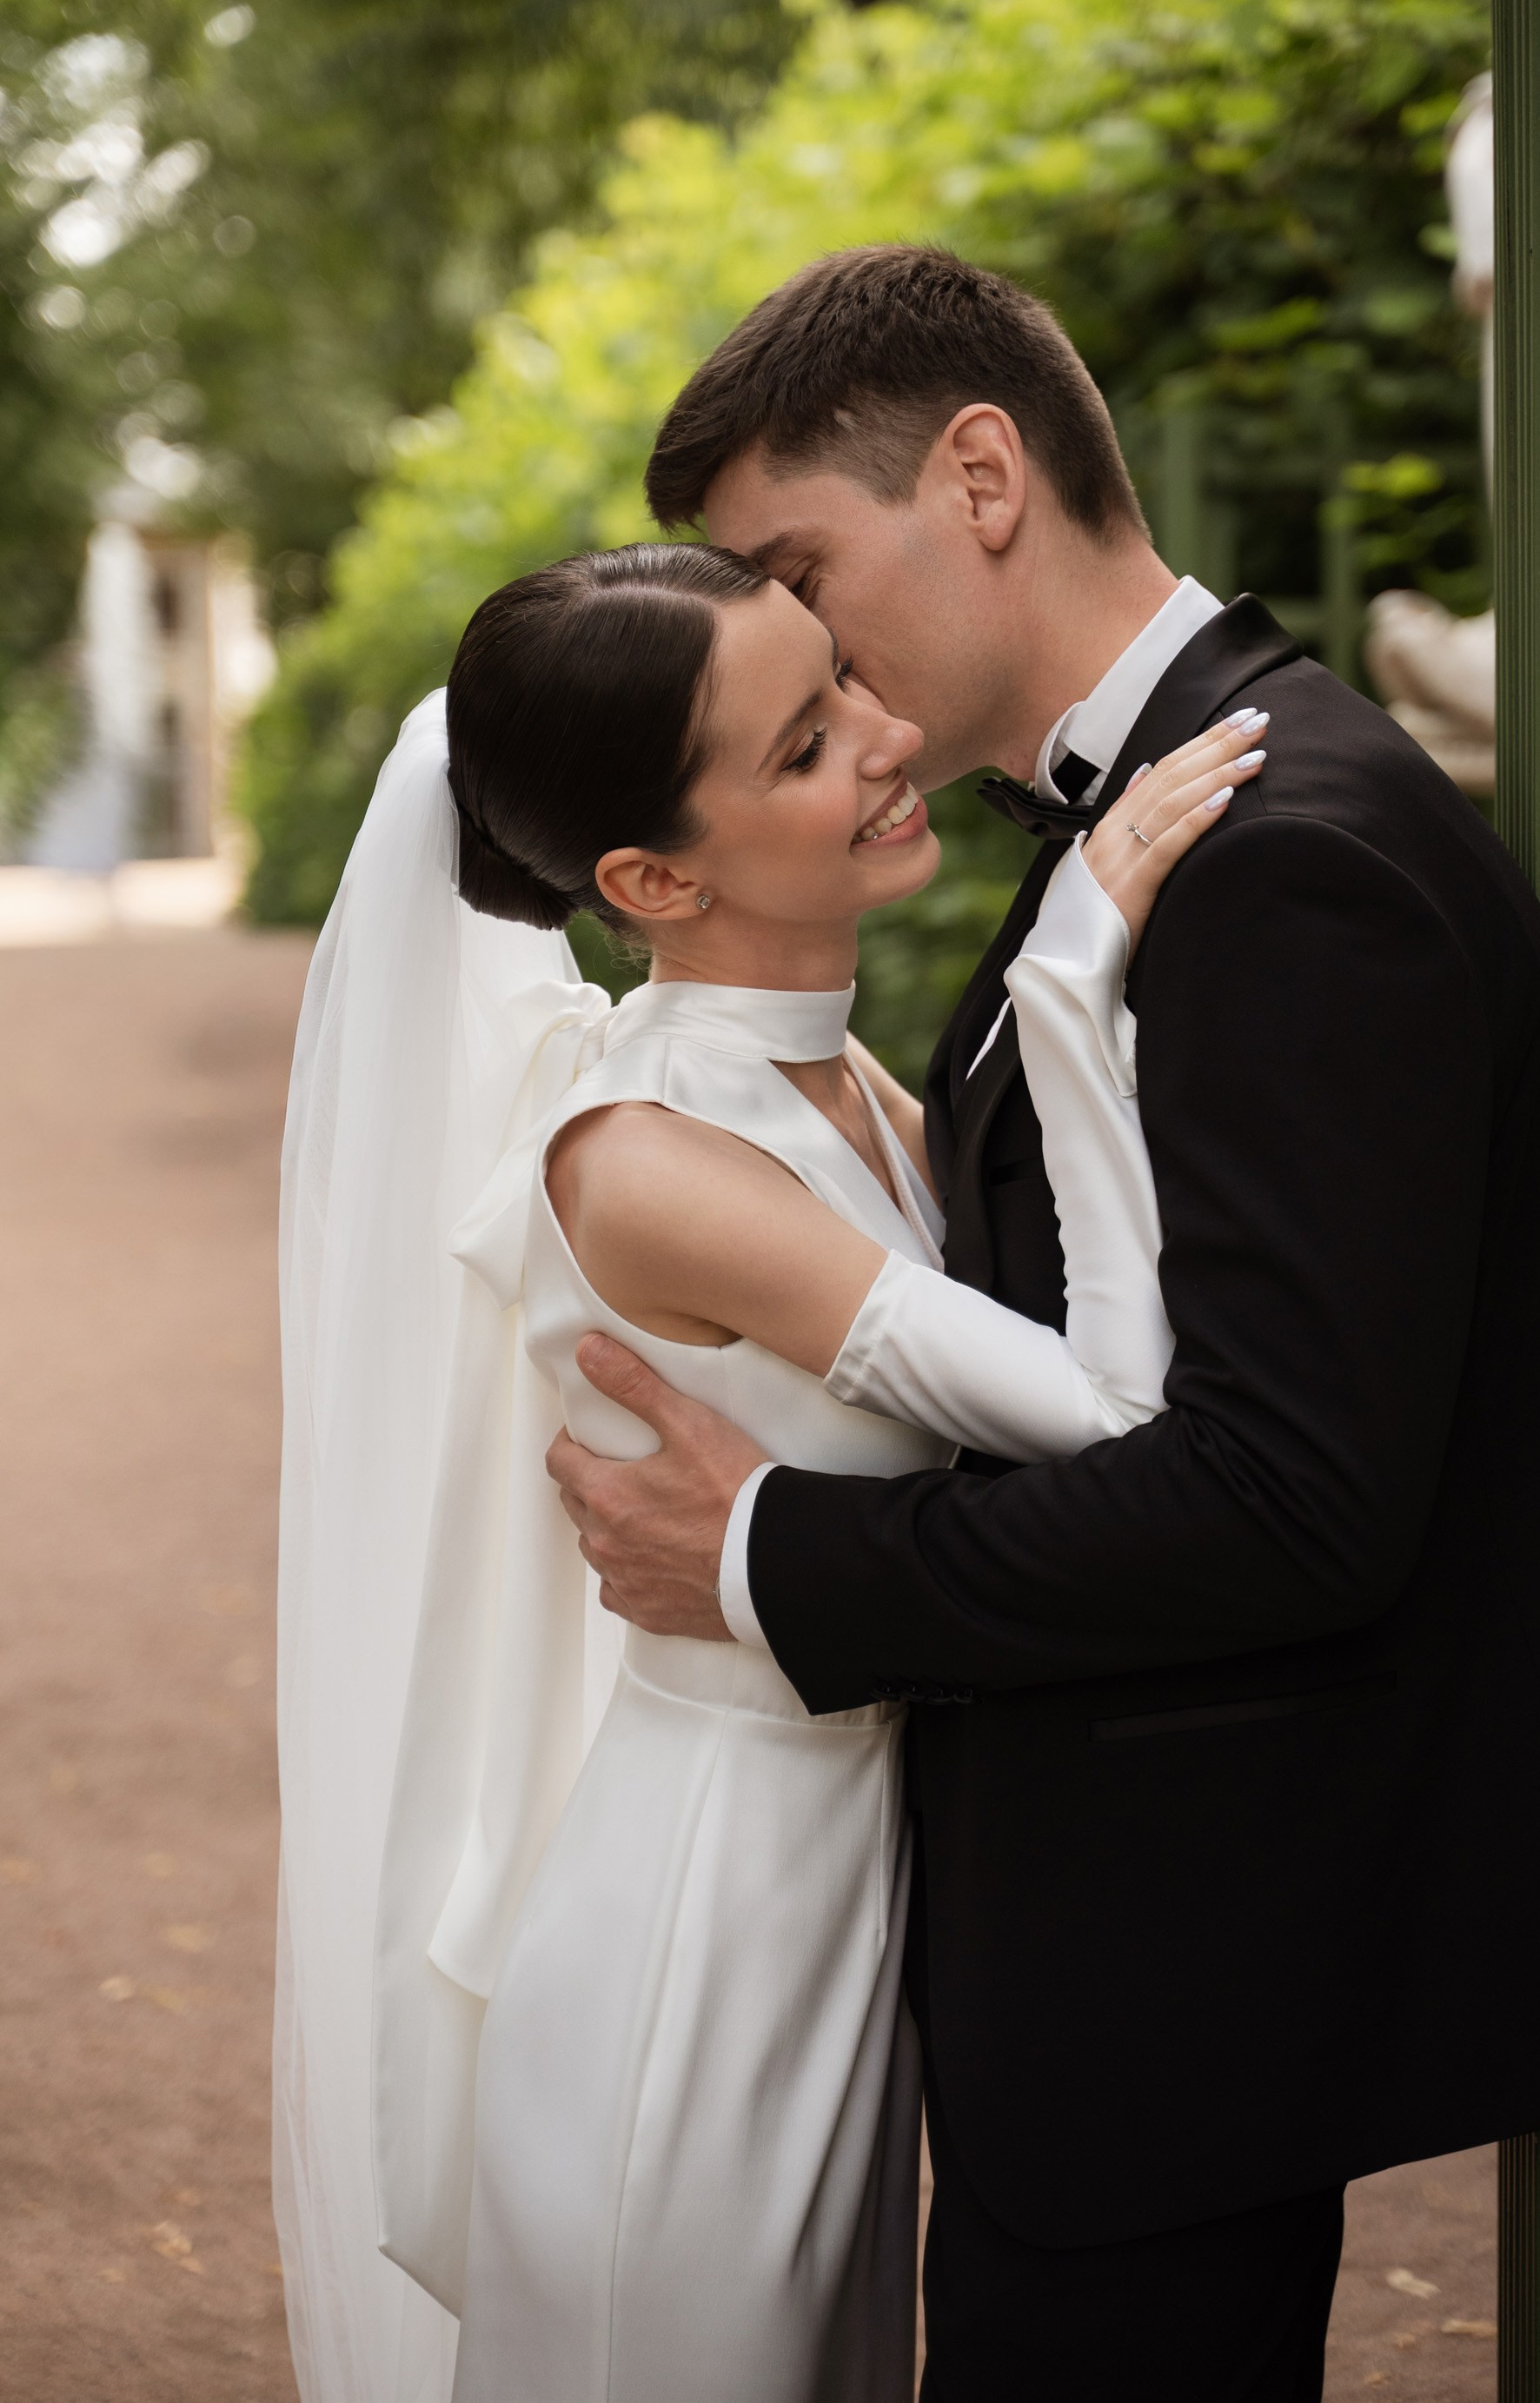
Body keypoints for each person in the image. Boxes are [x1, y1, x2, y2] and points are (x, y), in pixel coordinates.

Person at [545, 245, 1540, 2401]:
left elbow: (1287, 1498)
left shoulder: (1282, 857)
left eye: (801, 567)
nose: (800, 644)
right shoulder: (1159, 821)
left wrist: (768, 1557)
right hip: (1139, 1935)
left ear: (981, 473)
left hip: (1187, 1946)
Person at [274, 537, 1264, 2403]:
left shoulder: (839, 1086)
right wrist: (1069, 994)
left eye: (845, 687)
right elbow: (1119, 1421)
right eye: (806, 745)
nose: (889, 737)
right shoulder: (651, 1155)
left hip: (840, 1883)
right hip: (703, 1944)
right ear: (655, 877)